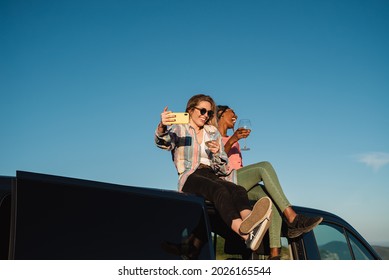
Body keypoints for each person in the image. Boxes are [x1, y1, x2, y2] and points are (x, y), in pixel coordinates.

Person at [154, 94, 272, 257]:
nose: (206, 116)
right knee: (219, 191)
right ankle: (245, 234)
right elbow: (164, 142)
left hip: (211, 174)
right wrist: (162, 126)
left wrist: (218, 154)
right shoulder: (179, 128)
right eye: (202, 111)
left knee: (238, 190)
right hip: (191, 176)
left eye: (209, 113)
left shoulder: (212, 132)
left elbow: (222, 169)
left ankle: (251, 221)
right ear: (190, 110)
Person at [216, 105, 323, 260]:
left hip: (238, 185)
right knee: (264, 166)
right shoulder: (211, 134)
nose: (235, 115)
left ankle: (274, 255)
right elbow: (217, 159)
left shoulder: (235, 141)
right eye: (232, 112)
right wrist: (234, 139)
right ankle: (292, 218)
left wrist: (235, 140)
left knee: (270, 201)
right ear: (221, 114)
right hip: (226, 181)